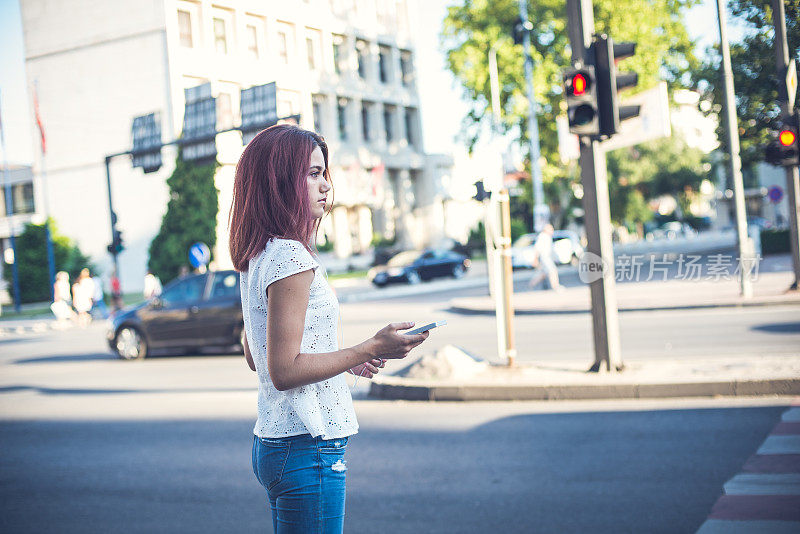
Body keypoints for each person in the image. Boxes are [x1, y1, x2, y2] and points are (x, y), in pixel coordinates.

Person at [229, 124, 429, 533]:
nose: (325, 186)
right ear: (278, 182)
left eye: (324, 173)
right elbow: (283, 371)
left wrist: (342, 364)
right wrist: (370, 348)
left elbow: (257, 355)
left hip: (276, 441)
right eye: (311, 174)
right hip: (308, 445)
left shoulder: (260, 253)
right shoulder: (290, 258)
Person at [527, 224, 564, 292]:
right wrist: (535, 259)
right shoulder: (543, 236)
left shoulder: (547, 236)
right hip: (544, 257)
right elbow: (537, 248)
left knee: (543, 273)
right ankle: (556, 286)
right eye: (551, 229)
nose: (552, 231)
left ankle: (531, 285)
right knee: (552, 270)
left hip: (546, 257)